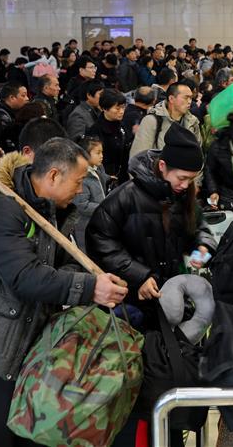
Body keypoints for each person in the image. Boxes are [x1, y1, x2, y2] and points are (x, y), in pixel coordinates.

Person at [0, 138, 128, 447]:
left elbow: (68, 263)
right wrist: (91, 288)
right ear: (54, 175)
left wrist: (77, 281)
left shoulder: (57, 211)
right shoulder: (1, 207)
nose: (81, 190)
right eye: (79, 181)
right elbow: (23, 276)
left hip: (36, 345)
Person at [88, 124, 214, 324]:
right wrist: (139, 276)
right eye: (181, 178)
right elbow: (100, 240)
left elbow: (199, 227)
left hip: (170, 292)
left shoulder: (183, 196)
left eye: (191, 180)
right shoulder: (125, 196)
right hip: (131, 297)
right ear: (162, 166)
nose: (185, 185)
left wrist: (203, 246)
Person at [129, 79, 201, 157]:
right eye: (186, 98)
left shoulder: (193, 122)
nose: (190, 101)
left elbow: (198, 154)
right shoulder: (152, 120)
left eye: (191, 98)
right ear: (171, 99)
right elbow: (138, 159)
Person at [85, 88, 130, 183]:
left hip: (123, 176)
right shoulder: (95, 131)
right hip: (106, 179)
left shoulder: (122, 125)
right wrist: (105, 176)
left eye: (123, 107)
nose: (122, 111)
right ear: (105, 108)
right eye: (117, 108)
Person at [72, 135, 108, 251]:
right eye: (98, 153)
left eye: (102, 152)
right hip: (84, 225)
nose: (101, 156)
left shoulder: (97, 170)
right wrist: (103, 207)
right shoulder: (82, 177)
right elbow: (82, 205)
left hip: (96, 221)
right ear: (86, 154)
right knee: (86, 251)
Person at [0, 83, 30, 152]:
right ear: (12, 98)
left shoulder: (18, 111)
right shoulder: (1, 116)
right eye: (23, 96)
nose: (27, 99)